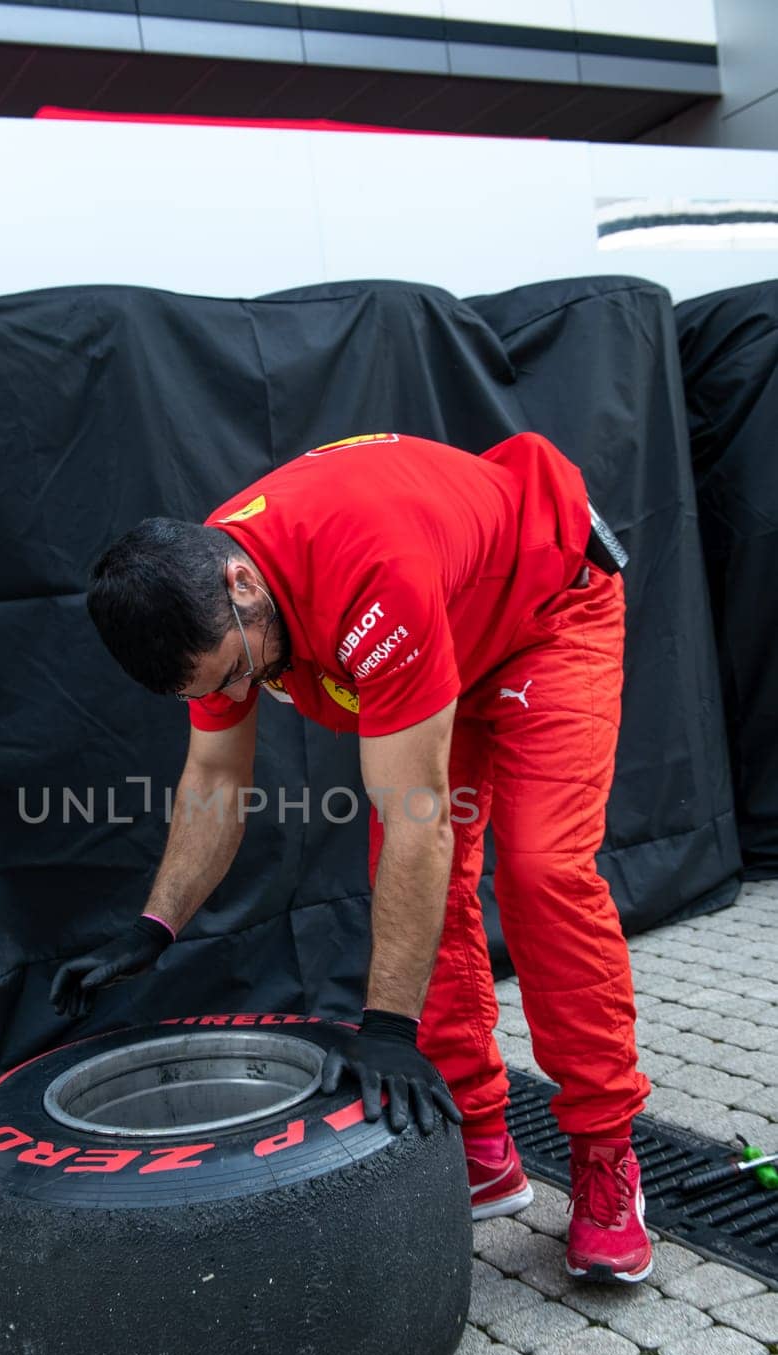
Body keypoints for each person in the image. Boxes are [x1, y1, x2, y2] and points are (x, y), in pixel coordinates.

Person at [50, 430, 652, 1284]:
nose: (232, 697)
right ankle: (479, 1140)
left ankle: (604, 1156)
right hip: (450, 619)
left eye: (233, 675)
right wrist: (155, 926)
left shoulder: (367, 572)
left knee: (539, 870)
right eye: (208, 691)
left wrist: (387, 1030)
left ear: (243, 584)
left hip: (542, 613)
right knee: (413, 891)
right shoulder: (206, 596)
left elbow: (420, 826)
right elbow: (216, 779)